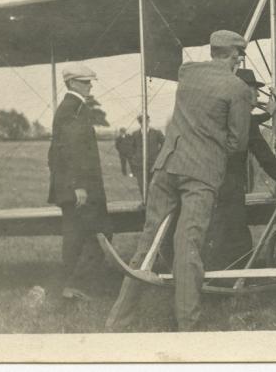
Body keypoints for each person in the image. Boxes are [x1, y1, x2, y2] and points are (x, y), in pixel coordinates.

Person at [106, 30, 252, 332]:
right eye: (240, 55)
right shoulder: (237, 88)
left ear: (212, 50)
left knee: (146, 244)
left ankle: (118, 320)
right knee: (188, 246)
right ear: (236, 56)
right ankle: (188, 324)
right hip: (201, 173)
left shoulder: (186, 74)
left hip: (166, 166)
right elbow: (238, 143)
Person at [203, 69, 276, 271]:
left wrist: (267, 113)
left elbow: (249, 123)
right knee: (235, 234)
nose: (257, 95)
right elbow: (266, 158)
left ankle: (212, 272)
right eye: (254, 90)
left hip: (207, 181)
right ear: (241, 90)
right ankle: (234, 276)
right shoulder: (243, 119)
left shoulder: (218, 113)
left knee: (214, 230)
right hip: (229, 186)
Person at [47, 63, 113, 301]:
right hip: (80, 190)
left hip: (74, 189)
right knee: (98, 233)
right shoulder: (73, 108)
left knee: (78, 237)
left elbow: (56, 153)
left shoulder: (70, 108)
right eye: (85, 82)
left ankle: (70, 286)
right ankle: (75, 286)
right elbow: (72, 151)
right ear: (73, 83)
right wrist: (78, 186)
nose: (90, 86)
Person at [129, 114, 165, 191]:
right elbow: (131, 148)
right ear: (139, 123)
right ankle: (145, 202)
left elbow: (165, 144)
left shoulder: (156, 133)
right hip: (139, 165)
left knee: (153, 186)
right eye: (141, 121)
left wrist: (159, 155)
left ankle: (150, 202)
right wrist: (135, 157)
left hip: (153, 164)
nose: (144, 123)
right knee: (142, 186)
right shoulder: (135, 134)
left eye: (146, 121)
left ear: (148, 121)